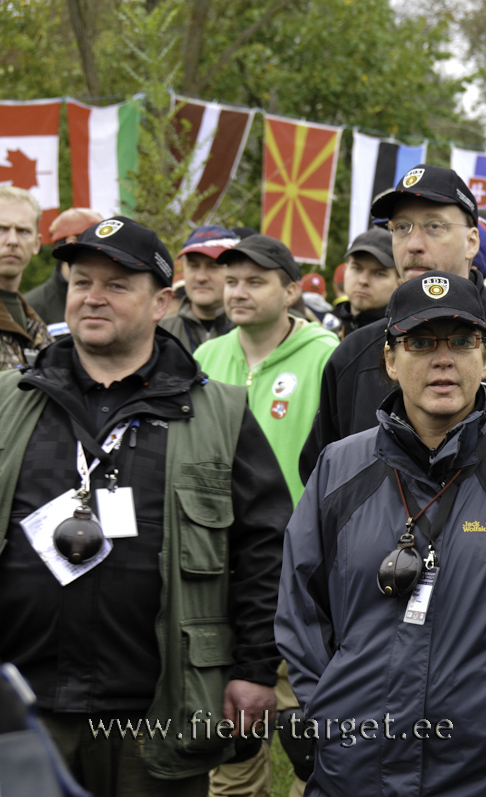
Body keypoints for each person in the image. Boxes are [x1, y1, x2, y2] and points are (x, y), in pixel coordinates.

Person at [277, 270, 486, 796]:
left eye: (461, 341)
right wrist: (329, 719)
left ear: (485, 358)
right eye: (421, 342)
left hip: (484, 774)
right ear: (390, 359)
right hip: (353, 772)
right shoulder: (338, 468)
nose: (442, 358)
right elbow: (300, 612)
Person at [0, 216, 290, 796]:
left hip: (157, 711)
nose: (93, 298)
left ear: (160, 302)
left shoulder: (222, 415)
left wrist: (255, 671)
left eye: (116, 285)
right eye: (82, 282)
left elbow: (265, 552)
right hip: (25, 711)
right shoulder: (10, 401)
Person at [298, 164, 486, 484]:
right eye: (401, 227)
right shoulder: (353, 354)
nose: (413, 243)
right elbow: (321, 484)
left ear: (472, 242)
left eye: (434, 226)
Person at [194, 235, 339, 506]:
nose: (238, 293)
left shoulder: (326, 356)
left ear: (291, 292)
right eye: (231, 282)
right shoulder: (205, 356)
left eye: (255, 282)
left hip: (293, 537)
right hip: (216, 533)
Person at [159, 225, 238, 353]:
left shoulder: (252, 332)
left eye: (213, 266)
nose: (201, 277)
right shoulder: (160, 333)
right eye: (193, 266)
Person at [26, 207, 104, 333]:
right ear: (71, 243)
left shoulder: (112, 298)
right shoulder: (31, 307)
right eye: (97, 242)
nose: (104, 252)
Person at [0, 186, 53, 370]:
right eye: (1, 229)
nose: (12, 241)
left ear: (37, 244)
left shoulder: (36, 326)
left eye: (23, 231)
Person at [331, 228, 398, 338]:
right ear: (345, 270)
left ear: (399, 282)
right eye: (357, 268)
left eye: (379, 274)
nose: (363, 281)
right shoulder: (326, 338)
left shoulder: (401, 342)